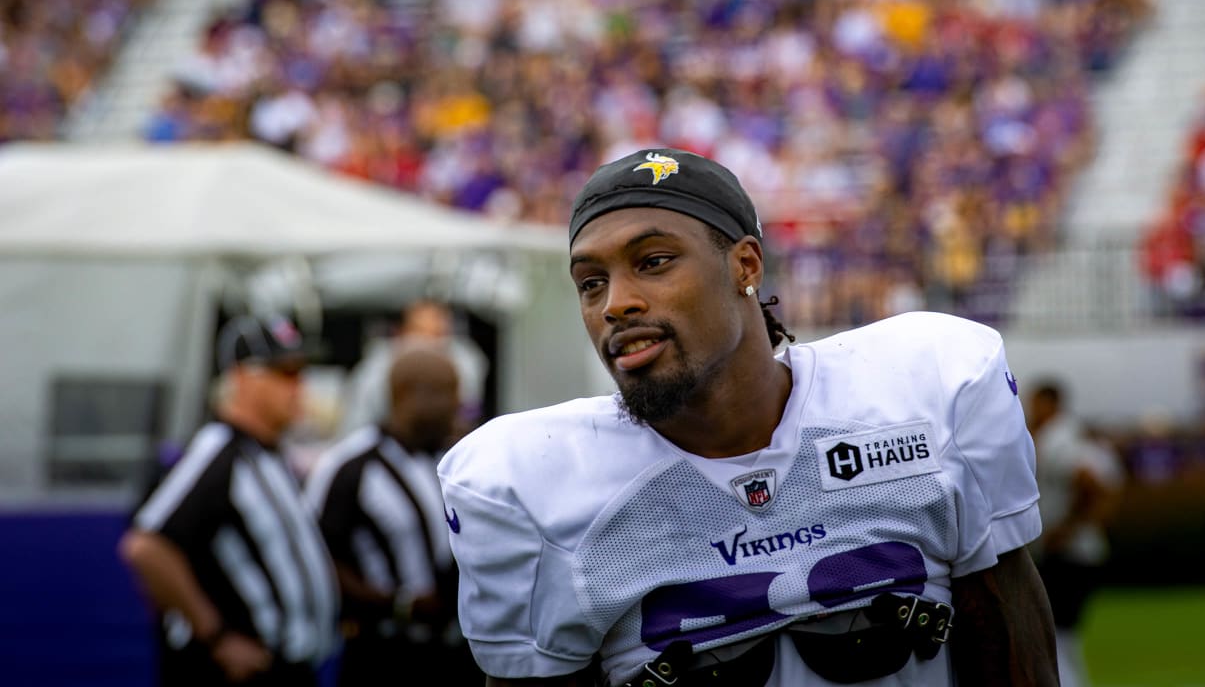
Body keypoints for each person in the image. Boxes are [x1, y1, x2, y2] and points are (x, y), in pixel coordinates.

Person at [437, 148, 1057, 686]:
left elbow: (1011, 652)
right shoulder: (530, 481)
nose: (616, 303)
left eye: (653, 262)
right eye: (591, 282)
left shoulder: (929, 388)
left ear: (746, 266)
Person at [119, 315, 339, 687]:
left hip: (290, 668)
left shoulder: (268, 454)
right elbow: (146, 547)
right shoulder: (218, 451)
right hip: (239, 673)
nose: (299, 387)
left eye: (301, 373)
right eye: (285, 373)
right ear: (242, 378)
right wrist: (217, 636)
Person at [306, 342, 480, 686]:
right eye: (446, 394)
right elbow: (319, 558)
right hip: (378, 652)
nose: (456, 408)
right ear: (405, 395)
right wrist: (399, 604)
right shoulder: (350, 466)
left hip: (449, 651)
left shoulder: (451, 458)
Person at [1026, 381, 1124, 687]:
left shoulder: (1058, 441)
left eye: (1035, 404)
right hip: (1078, 552)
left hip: (1069, 554)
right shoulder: (1072, 435)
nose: (1031, 412)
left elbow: (1091, 484)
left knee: (1055, 636)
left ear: (1049, 404)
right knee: (1060, 636)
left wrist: (1066, 528)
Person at [340, 299, 490, 436]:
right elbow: (358, 422)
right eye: (421, 333)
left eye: (439, 334)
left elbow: (469, 411)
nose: (430, 343)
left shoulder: (464, 361)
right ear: (403, 333)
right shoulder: (377, 367)